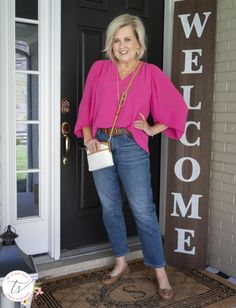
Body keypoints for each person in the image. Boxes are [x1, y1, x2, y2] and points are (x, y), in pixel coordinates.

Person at [74, 14, 188, 300]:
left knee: (142, 210)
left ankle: (159, 269)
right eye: (116, 40)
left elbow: (177, 107)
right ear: (110, 45)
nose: (121, 45)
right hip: (100, 142)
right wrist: (88, 138)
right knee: (110, 207)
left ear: (139, 45)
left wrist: (151, 129)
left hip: (131, 145)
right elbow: (86, 106)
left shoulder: (150, 73)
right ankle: (121, 261)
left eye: (127, 39)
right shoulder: (99, 69)